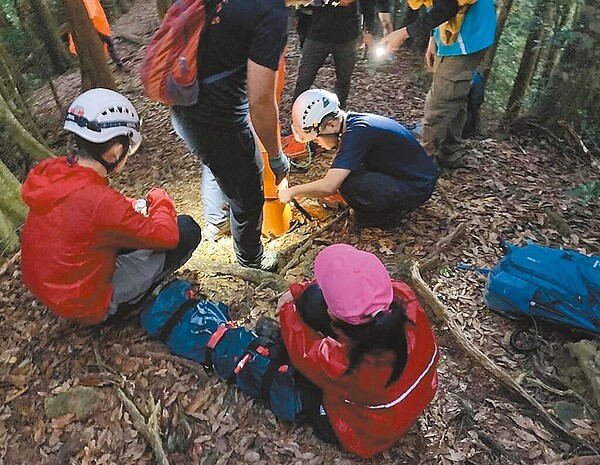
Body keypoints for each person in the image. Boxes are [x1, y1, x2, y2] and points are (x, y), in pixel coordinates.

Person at [20, 88, 201, 326]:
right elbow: (167, 237)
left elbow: (84, 209)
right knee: (186, 230)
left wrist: (128, 205)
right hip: (89, 306)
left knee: (129, 239)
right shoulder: (100, 202)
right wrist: (160, 199)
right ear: (116, 151)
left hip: (57, 291)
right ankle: (127, 306)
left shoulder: (53, 171)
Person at [171, 0, 304, 272]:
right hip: (217, 118)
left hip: (185, 104)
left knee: (218, 165)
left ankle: (217, 222)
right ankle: (251, 259)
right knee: (248, 192)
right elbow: (262, 100)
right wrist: (277, 157)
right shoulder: (273, 13)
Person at [277, 243, 439, 458]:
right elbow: (358, 289)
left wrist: (287, 309)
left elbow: (302, 350)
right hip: (410, 403)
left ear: (334, 317)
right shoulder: (404, 296)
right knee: (312, 297)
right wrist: (304, 290)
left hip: (364, 435)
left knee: (302, 385)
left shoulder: (341, 364)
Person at [279, 89, 439, 227]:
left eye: (316, 138)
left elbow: (329, 186)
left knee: (348, 184)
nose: (318, 143)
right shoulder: (354, 124)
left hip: (418, 187)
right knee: (346, 174)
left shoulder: (357, 134)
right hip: (415, 177)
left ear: (331, 125)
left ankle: (384, 216)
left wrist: (292, 192)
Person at [380, 0, 496, 168]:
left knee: (441, 100)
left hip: (468, 36)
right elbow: (437, 7)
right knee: (455, 95)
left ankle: (421, 162)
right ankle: (450, 152)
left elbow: (447, 8)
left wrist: (404, 33)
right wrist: (434, 39)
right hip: (450, 33)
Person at [292, 0, 361, 108]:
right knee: (304, 78)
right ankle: (296, 111)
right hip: (317, 33)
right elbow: (303, 8)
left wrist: (369, 30)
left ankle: (339, 113)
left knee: (344, 80)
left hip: (347, 35)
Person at [68, 0, 126, 70]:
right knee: (107, 45)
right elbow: (93, 13)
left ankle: (117, 64)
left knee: (107, 45)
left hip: (96, 26)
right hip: (96, 27)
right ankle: (117, 64)